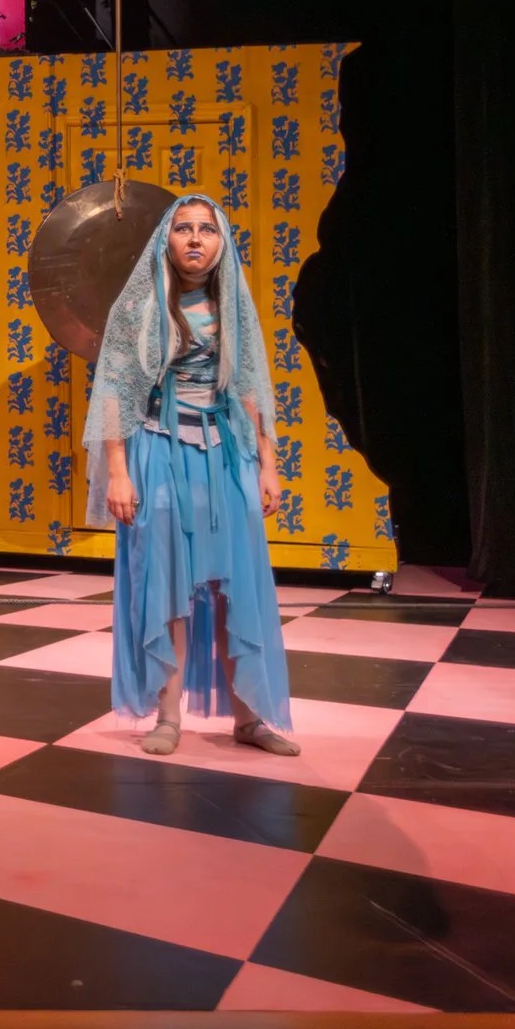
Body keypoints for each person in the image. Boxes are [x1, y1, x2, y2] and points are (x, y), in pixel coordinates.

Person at [88, 194, 300, 758]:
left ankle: (250, 718)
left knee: (237, 584)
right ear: (167, 239)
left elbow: (250, 388)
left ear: (221, 242)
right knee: (168, 583)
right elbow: (113, 394)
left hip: (225, 453)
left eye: (207, 229)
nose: (196, 238)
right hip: (159, 451)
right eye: (184, 228)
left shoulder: (233, 306)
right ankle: (167, 716)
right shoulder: (140, 310)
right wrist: (117, 472)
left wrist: (268, 463)